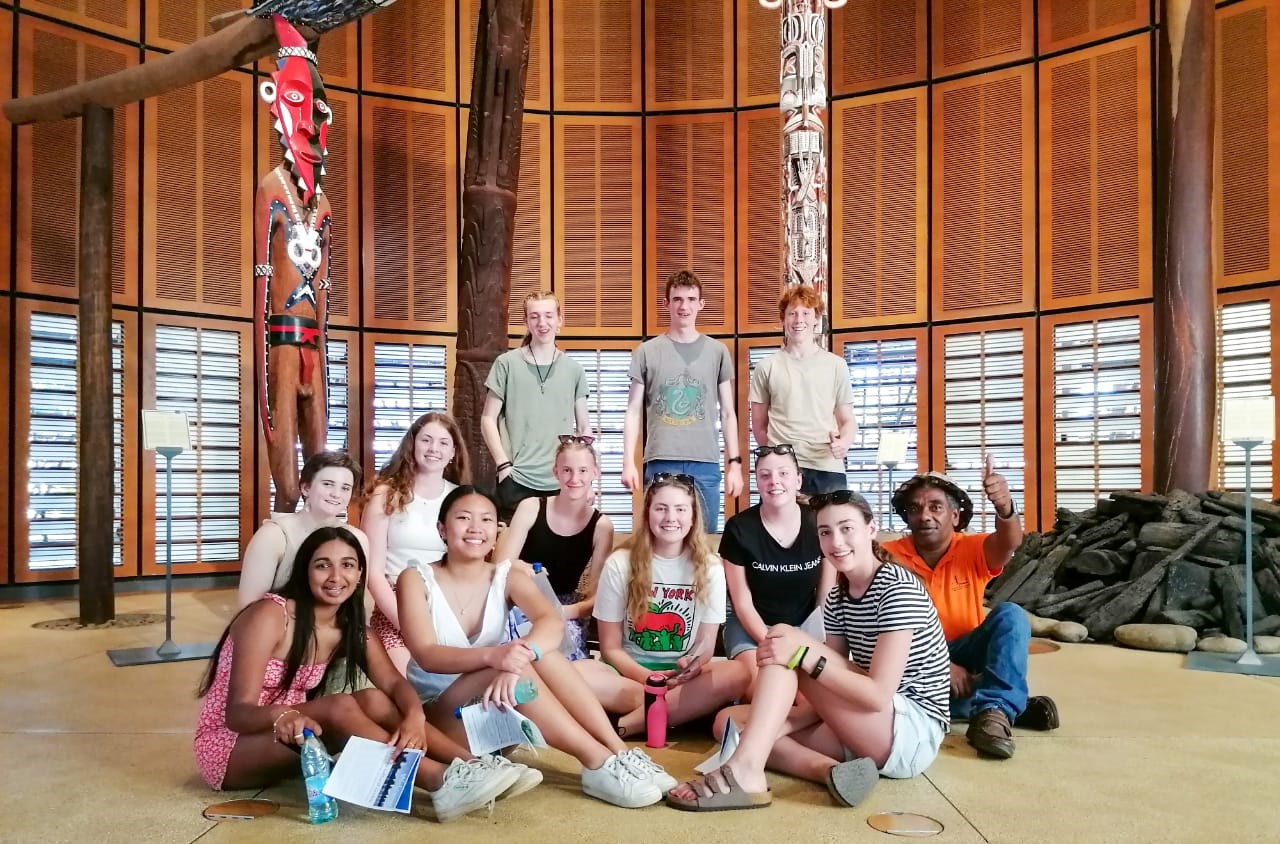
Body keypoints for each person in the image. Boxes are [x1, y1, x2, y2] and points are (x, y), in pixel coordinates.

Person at [196, 526, 533, 822]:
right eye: (322, 565)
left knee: (373, 698)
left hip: (295, 734)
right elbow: (237, 713)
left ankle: (473, 766)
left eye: (347, 565)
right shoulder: (271, 615)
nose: (335, 577)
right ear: (304, 571)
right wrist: (282, 715)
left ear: (360, 574)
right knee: (339, 706)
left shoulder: (350, 628)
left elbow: (394, 683)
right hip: (230, 748)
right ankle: (441, 782)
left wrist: (414, 717)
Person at [665, 490, 950, 812]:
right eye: (825, 532)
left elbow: (877, 696)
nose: (836, 542)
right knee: (729, 723)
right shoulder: (839, 597)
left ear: (871, 529)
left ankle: (746, 771)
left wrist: (803, 658)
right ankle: (829, 771)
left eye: (847, 528)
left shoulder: (897, 589)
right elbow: (833, 682)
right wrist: (782, 723)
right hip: (866, 727)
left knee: (785, 640)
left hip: (910, 734)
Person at [397, 486, 676, 809]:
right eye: (463, 518)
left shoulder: (505, 576)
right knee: (518, 666)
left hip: (494, 712)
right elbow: (427, 655)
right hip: (441, 722)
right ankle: (596, 761)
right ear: (442, 529)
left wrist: (520, 656)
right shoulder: (415, 578)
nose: (476, 528)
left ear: (496, 530)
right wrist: (498, 658)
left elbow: (551, 622)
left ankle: (619, 752)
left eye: (486, 520)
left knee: (545, 655)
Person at [883, 458, 1060, 760]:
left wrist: (1004, 507)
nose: (924, 516)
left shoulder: (973, 548)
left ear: (955, 515)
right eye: (915, 508)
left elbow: (1009, 542)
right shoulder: (887, 556)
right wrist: (942, 665)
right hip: (913, 661)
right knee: (892, 697)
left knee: (1012, 615)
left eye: (935, 507)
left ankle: (992, 713)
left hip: (967, 654)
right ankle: (1003, 706)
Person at [593, 473, 750, 736]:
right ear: (647, 514)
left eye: (680, 509)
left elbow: (705, 646)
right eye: (661, 508)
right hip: (629, 675)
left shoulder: (712, 567)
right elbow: (610, 648)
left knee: (738, 673)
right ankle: (678, 710)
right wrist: (647, 678)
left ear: (693, 517)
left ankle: (624, 726)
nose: (670, 518)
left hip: (682, 679)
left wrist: (693, 666)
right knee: (576, 673)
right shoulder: (619, 563)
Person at [492, 435, 638, 713]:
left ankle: (552, 704)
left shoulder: (602, 526)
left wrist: (560, 612)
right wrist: (522, 567)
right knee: (516, 650)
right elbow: (501, 564)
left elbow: (595, 599)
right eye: (567, 470)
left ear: (595, 473)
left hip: (565, 609)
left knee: (558, 658)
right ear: (555, 472)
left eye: (583, 470)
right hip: (519, 602)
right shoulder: (531, 507)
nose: (574, 478)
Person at [622, 270, 742, 532]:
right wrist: (628, 461)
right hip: (661, 459)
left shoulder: (718, 351)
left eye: (691, 299)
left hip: (706, 462)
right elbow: (633, 411)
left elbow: (728, 413)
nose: (684, 306)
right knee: (660, 537)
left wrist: (734, 463)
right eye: (677, 299)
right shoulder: (646, 352)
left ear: (701, 304)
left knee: (705, 539)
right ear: (666, 303)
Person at [719, 444, 833, 696]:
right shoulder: (739, 528)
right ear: (758, 482)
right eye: (765, 475)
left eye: (783, 473)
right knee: (763, 690)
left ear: (798, 479)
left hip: (805, 628)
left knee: (811, 697)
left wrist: (806, 644)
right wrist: (774, 644)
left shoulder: (819, 523)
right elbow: (742, 603)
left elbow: (825, 597)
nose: (774, 481)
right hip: (751, 628)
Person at [362, 412, 471, 674]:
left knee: (459, 684)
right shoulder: (385, 494)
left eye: (443, 443)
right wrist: (409, 624)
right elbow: (373, 573)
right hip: (395, 605)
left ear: (453, 452)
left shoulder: (460, 497)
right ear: (412, 444)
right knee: (413, 685)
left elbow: (468, 564)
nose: (434, 448)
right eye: (426, 440)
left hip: (448, 605)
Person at [482, 291, 591, 522]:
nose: (542, 323)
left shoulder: (574, 370)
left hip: (561, 481)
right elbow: (487, 419)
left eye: (549, 316)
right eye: (535, 316)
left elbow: (584, 429)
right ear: (526, 321)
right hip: (516, 479)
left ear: (560, 320)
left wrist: (586, 480)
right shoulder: (506, 363)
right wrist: (503, 466)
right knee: (511, 545)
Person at [749, 285, 857, 496]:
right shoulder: (766, 367)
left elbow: (848, 420)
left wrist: (844, 442)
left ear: (816, 318)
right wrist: (777, 458)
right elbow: (759, 426)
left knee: (832, 518)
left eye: (806, 313)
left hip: (827, 467)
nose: (799, 320)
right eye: (792, 313)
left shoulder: (837, 365)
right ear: (783, 319)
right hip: (783, 469)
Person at [237, 451, 368, 610]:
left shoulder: (358, 538)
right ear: (306, 488)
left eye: (345, 488)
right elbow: (248, 608)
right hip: (281, 622)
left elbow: (357, 604)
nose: (336, 494)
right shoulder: (273, 535)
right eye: (327, 484)